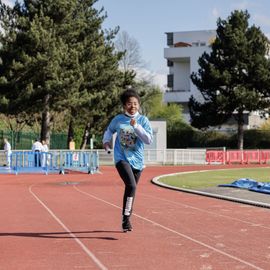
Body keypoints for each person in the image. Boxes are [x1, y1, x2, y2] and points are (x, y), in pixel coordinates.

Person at [103, 89, 153, 232]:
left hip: (137, 161)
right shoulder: (118, 119)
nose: (133, 106)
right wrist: (106, 142)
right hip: (121, 158)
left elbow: (148, 140)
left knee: (131, 189)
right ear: (124, 105)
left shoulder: (143, 120)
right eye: (129, 104)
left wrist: (136, 126)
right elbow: (109, 131)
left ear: (139, 104)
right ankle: (126, 217)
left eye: (135, 103)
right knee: (131, 186)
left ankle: (126, 218)